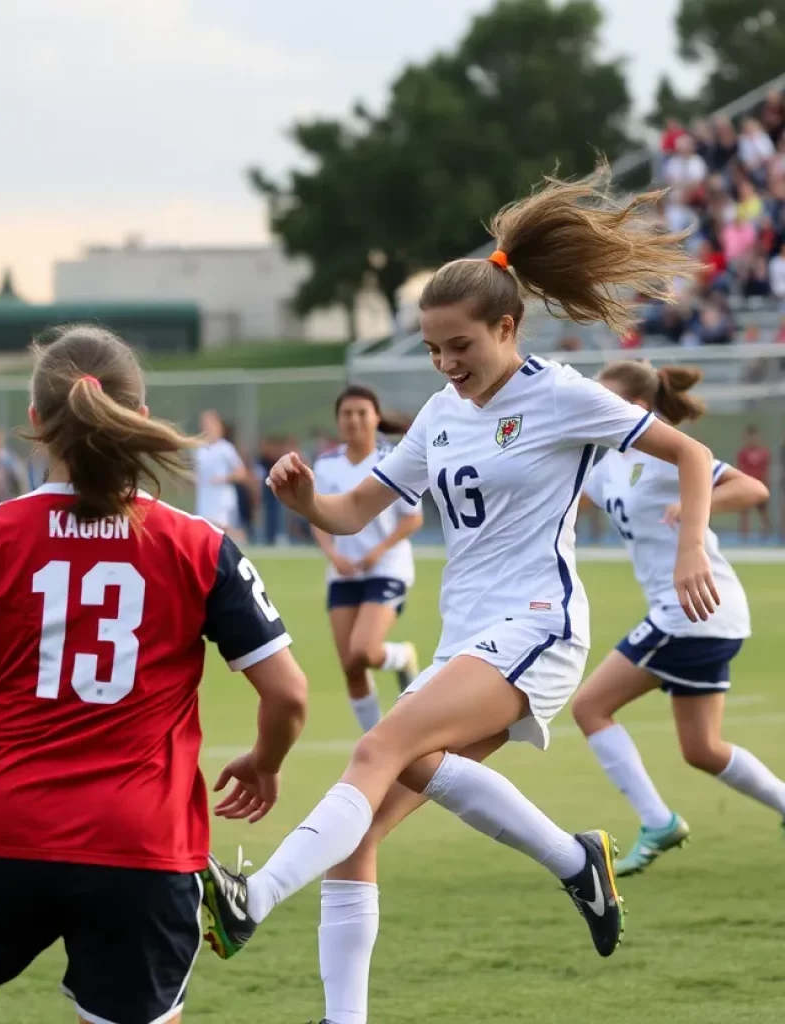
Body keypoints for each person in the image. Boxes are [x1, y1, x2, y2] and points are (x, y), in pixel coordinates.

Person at [201, 167, 720, 1024]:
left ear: (507, 328)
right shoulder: (441, 414)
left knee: (372, 758)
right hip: (467, 638)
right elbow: (355, 507)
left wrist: (691, 547)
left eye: (461, 348)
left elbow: (692, 458)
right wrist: (305, 505)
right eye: (434, 350)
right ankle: (572, 861)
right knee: (360, 829)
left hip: (537, 628)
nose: (446, 365)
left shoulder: (559, 396)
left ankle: (251, 901)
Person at [0, 324, 308, 1024]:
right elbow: (288, 693)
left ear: (35, 424)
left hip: (1, 828)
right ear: (140, 418)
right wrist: (264, 760)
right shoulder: (198, 544)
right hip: (143, 843)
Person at [573, 361, 783, 876]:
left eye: (608, 399)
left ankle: (658, 821)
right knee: (703, 749)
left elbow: (754, 490)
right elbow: (565, 502)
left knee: (590, 707)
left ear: (639, 409)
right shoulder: (607, 466)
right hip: (702, 615)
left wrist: (694, 512)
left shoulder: (668, 454)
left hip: (692, 612)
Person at [313, 385, 422, 731]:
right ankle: (374, 741)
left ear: (376, 417)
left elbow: (412, 517)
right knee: (351, 666)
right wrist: (333, 554)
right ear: (337, 421)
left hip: (386, 567)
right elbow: (317, 516)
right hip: (344, 572)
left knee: (364, 649)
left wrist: (378, 550)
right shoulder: (326, 464)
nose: (354, 420)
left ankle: (402, 656)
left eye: (362, 412)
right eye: (347, 414)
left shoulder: (394, 458)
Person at [194, 409, 247, 540]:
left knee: (223, 530)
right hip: (205, 496)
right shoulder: (199, 448)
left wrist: (223, 479)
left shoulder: (226, 448)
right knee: (206, 529)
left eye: (209, 423)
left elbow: (241, 473)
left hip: (221, 496)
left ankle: (243, 542)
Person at [735, 425, 773, 540]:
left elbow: (766, 470)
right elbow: (739, 469)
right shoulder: (742, 453)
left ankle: (767, 533)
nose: (753, 439)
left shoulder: (764, 453)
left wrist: (766, 485)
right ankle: (744, 536)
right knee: (744, 511)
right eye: (750, 437)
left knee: (763, 512)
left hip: (760, 485)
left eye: (755, 437)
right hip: (747, 486)